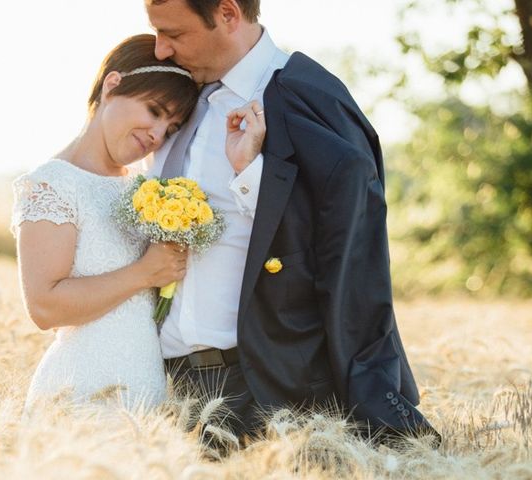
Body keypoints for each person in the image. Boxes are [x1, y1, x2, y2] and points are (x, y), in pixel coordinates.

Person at [145, 0, 440, 443]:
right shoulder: (173, 98)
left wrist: (250, 174)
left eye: (175, 34)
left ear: (228, 14)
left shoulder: (310, 98)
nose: (161, 50)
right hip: (168, 389)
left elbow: (353, 258)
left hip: (267, 391)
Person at [11, 33, 266, 414]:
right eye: (154, 111)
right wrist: (145, 273)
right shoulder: (52, 183)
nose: (157, 135)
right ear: (112, 85)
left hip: (146, 392)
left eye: (172, 128)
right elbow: (45, 307)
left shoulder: (143, 186)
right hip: (82, 392)